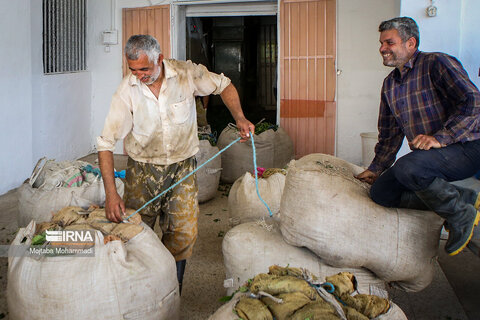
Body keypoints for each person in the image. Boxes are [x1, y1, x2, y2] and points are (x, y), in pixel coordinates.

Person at [96, 35, 255, 292]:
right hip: (142, 172)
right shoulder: (127, 90)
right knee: (135, 233)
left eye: (144, 69)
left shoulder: (186, 73)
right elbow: (105, 143)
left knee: (183, 234)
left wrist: (239, 117)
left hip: (182, 170)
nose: (139, 75)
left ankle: (172, 290)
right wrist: (112, 194)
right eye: (133, 70)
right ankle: (139, 291)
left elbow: (224, 85)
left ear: (159, 59)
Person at [355, 17, 480, 256]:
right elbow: (390, 134)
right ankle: (463, 198)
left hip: (468, 148)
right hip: (432, 157)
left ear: (410, 43)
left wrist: (442, 137)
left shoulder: (437, 63)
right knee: (381, 193)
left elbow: (473, 102)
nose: (382, 48)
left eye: (389, 42)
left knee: (409, 166)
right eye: (381, 43)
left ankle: (460, 214)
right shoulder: (390, 84)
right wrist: (376, 168)